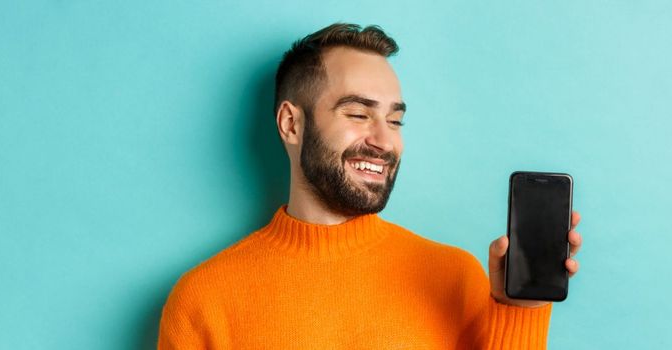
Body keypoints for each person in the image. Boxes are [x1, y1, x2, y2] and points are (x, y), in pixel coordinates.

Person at [157, 22, 583, 349]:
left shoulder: (455, 277)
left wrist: (520, 310)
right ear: (291, 123)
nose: (384, 141)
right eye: (358, 114)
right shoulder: (204, 300)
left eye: (395, 120)